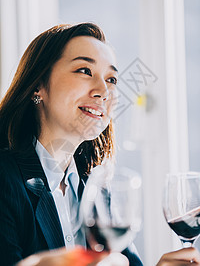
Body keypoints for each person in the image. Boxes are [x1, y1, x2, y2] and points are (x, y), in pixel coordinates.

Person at [0, 23, 200, 266]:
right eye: (85, 70)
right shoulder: (5, 180)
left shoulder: (97, 189)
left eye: (112, 79)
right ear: (37, 85)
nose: (104, 91)